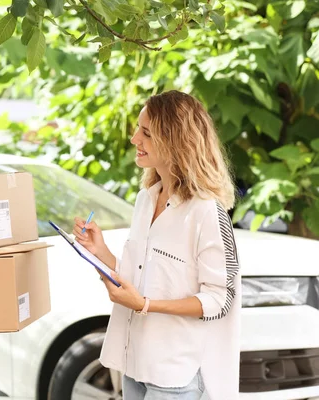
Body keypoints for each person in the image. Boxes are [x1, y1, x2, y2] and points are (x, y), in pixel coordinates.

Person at [73, 91, 241, 400]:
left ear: (177, 142)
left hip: (176, 374)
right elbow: (137, 279)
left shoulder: (206, 211)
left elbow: (220, 299)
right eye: (138, 128)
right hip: (135, 367)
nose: (135, 138)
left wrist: (146, 305)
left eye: (147, 133)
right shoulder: (146, 199)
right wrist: (100, 253)